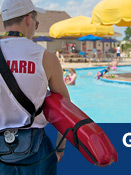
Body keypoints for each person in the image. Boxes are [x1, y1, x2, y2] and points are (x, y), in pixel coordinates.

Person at [0, 0, 69, 174]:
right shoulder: (46, 57)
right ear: (29, 19)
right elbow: (65, 108)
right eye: (37, 24)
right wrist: (60, 147)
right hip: (37, 151)